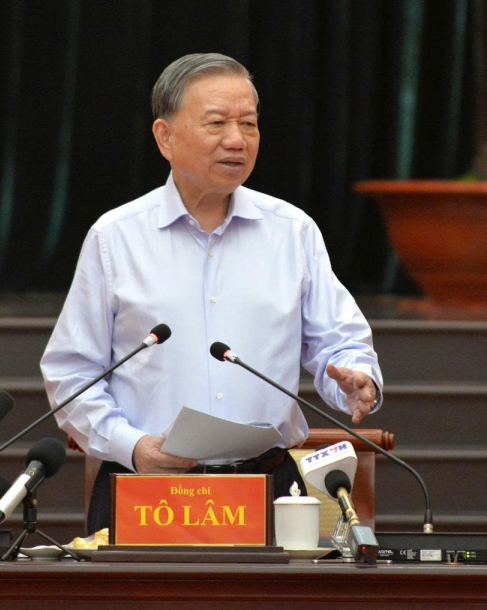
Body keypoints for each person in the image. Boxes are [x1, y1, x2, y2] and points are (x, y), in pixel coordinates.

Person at [41, 53, 383, 533]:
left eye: (249, 123)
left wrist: (355, 377)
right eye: (217, 123)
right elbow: (71, 372)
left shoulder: (292, 232)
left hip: (267, 488)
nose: (236, 140)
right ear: (165, 136)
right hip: (148, 490)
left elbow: (340, 342)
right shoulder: (116, 237)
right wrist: (132, 446)